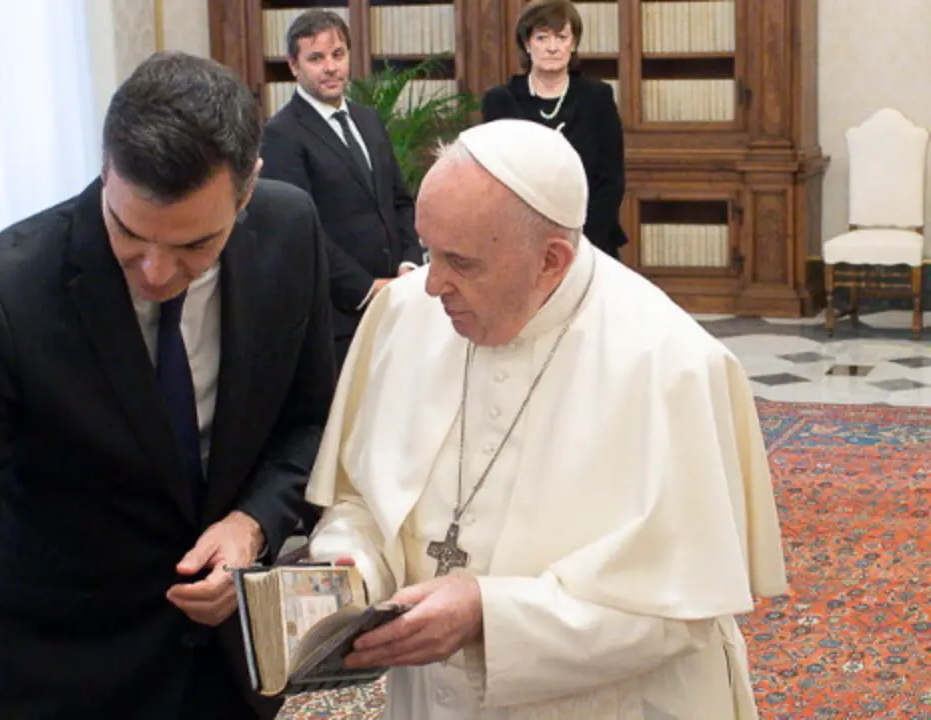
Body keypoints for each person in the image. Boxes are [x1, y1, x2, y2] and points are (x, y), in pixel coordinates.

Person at [0, 51, 337, 720]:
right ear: (106, 171)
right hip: (63, 673)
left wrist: (252, 523)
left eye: (196, 245)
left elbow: (312, 424)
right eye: (129, 233)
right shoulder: (2, 297)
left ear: (247, 190)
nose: (157, 271)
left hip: (232, 671)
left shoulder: (290, 232)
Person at [304, 119, 787, 719]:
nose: (432, 286)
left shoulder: (672, 365)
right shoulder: (404, 315)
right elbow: (359, 500)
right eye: (427, 251)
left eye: (460, 262)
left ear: (551, 261)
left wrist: (488, 614)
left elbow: (676, 615)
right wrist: (351, 565)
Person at [260, 9, 423, 370]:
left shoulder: (368, 120)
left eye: (338, 54)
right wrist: (367, 288)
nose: (331, 67)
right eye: (316, 58)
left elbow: (399, 200)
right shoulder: (281, 135)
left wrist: (409, 265)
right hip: (339, 318)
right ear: (293, 66)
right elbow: (300, 233)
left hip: (399, 303)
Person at [481, 0, 628, 260]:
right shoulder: (500, 101)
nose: (552, 47)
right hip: (519, 243)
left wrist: (580, 243)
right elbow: (495, 180)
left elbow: (611, 180)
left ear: (573, 44)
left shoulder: (597, 98)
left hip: (591, 242)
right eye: (542, 37)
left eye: (561, 37)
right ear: (527, 44)